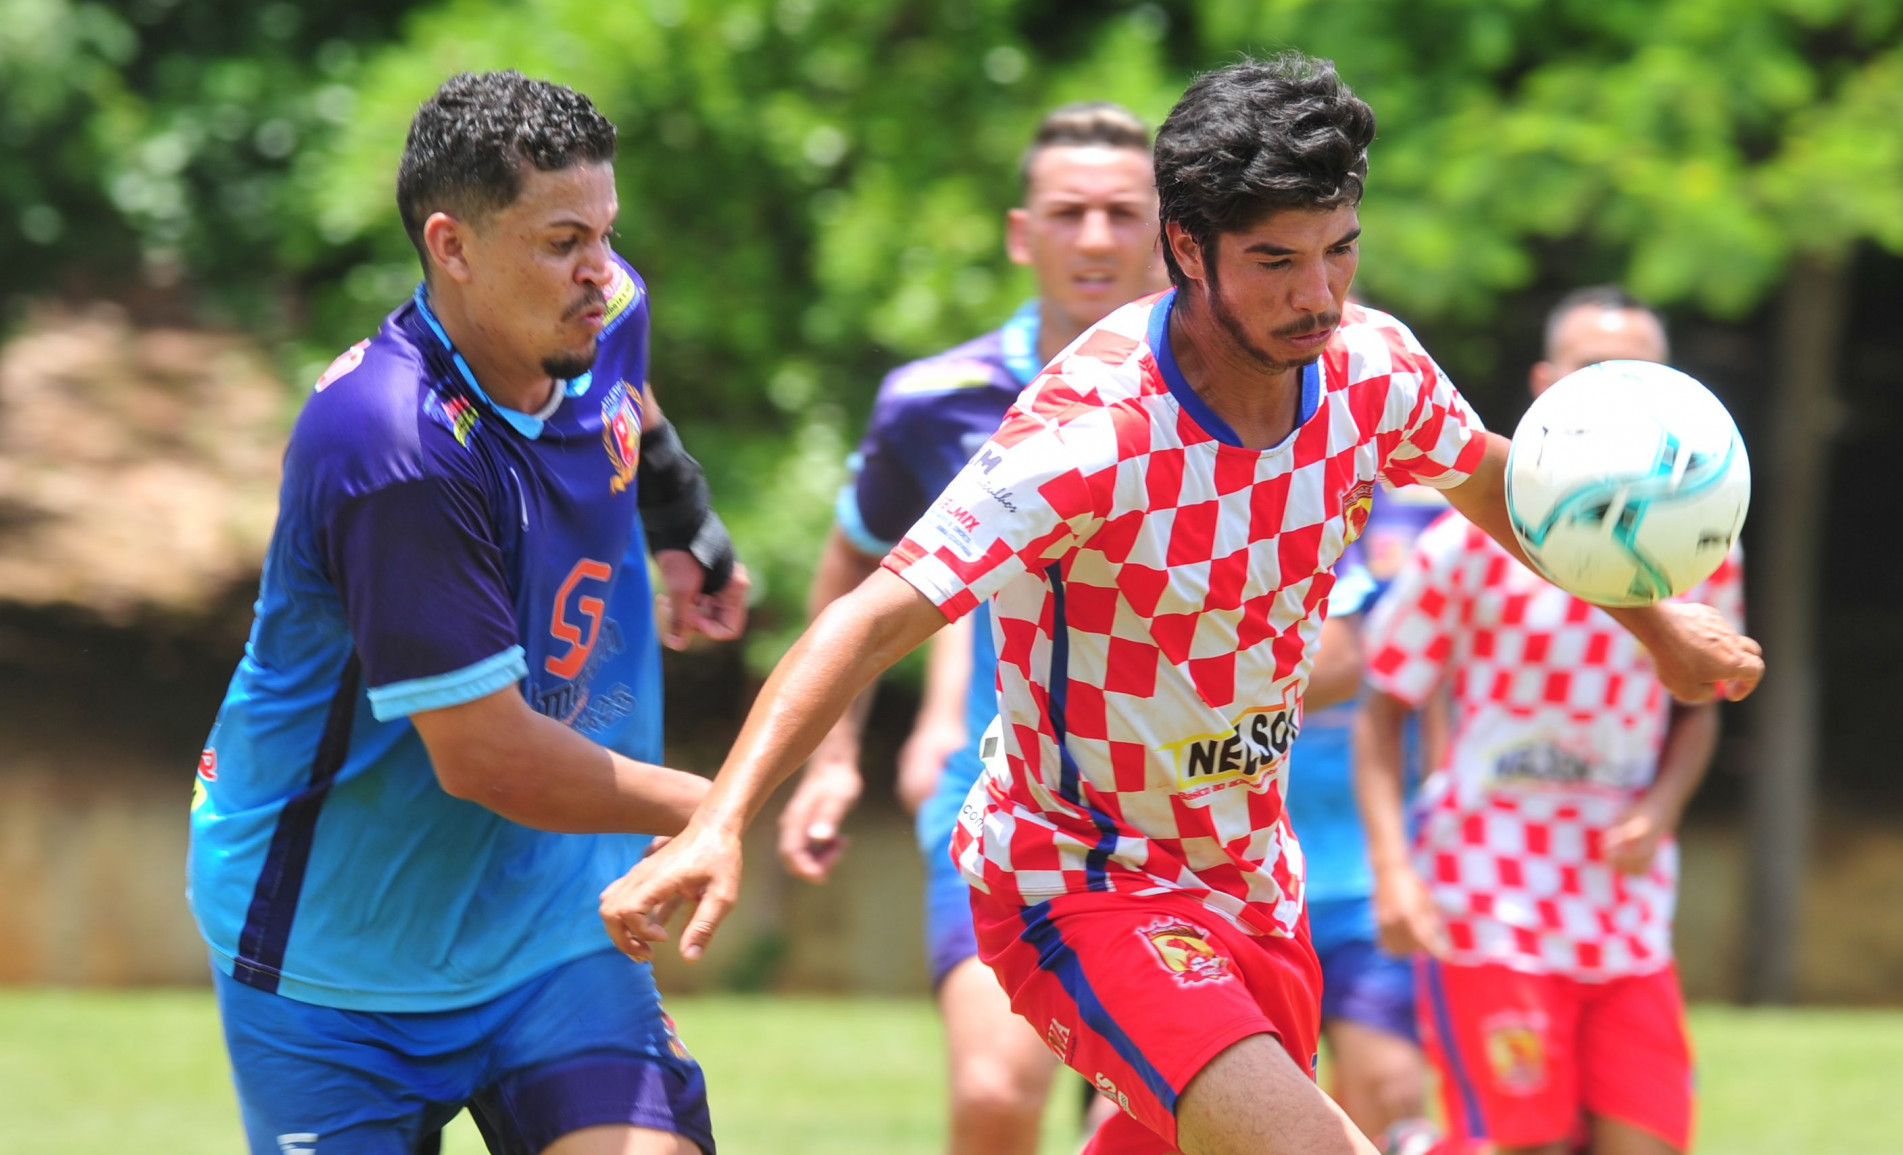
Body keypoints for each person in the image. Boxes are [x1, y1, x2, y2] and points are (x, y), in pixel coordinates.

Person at [600, 57, 1762, 1155]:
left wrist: (1655, 624)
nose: (1318, 295)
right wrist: (721, 819)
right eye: (1275, 261)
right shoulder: (1090, 433)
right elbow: (870, 618)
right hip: (1081, 882)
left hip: (1253, 886)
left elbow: (1502, 486)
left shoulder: (1372, 370)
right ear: (1186, 248)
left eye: (1339, 252)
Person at [186, 70, 746, 1155]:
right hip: (336, 957)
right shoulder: (394, 446)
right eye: (561, 242)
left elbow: (628, 396)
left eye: (606, 232)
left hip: (551, 926)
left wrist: (683, 516)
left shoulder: (600, 308)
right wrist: (713, 807)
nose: (601, 271)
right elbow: (487, 758)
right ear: (451, 246)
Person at [773, 101, 1165, 1155]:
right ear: (1021, 233)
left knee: (1156, 1117)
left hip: (1178, 804)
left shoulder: (1234, 388)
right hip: (1003, 786)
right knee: (995, 1092)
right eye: (1068, 212)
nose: (1095, 238)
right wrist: (835, 756)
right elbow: (855, 562)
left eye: (1122, 212)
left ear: (1169, 230)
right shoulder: (936, 401)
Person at [1353, 286, 1739, 1155]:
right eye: (1595, 368)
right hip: (1488, 887)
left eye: (1641, 371)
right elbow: (1384, 710)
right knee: (1526, 1143)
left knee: (1645, 1141)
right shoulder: (1467, 538)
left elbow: (1700, 707)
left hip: (1623, 900)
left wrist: (1662, 808)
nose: (1620, 391)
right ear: (1544, 384)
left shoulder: (1702, 535)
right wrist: (1393, 872)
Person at [1281, 489, 1444, 1152]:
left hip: (1367, 880)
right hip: (1236, 874)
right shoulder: (1225, 497)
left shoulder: (1439, 513)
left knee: (1392, 1092)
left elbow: (1444, 679)